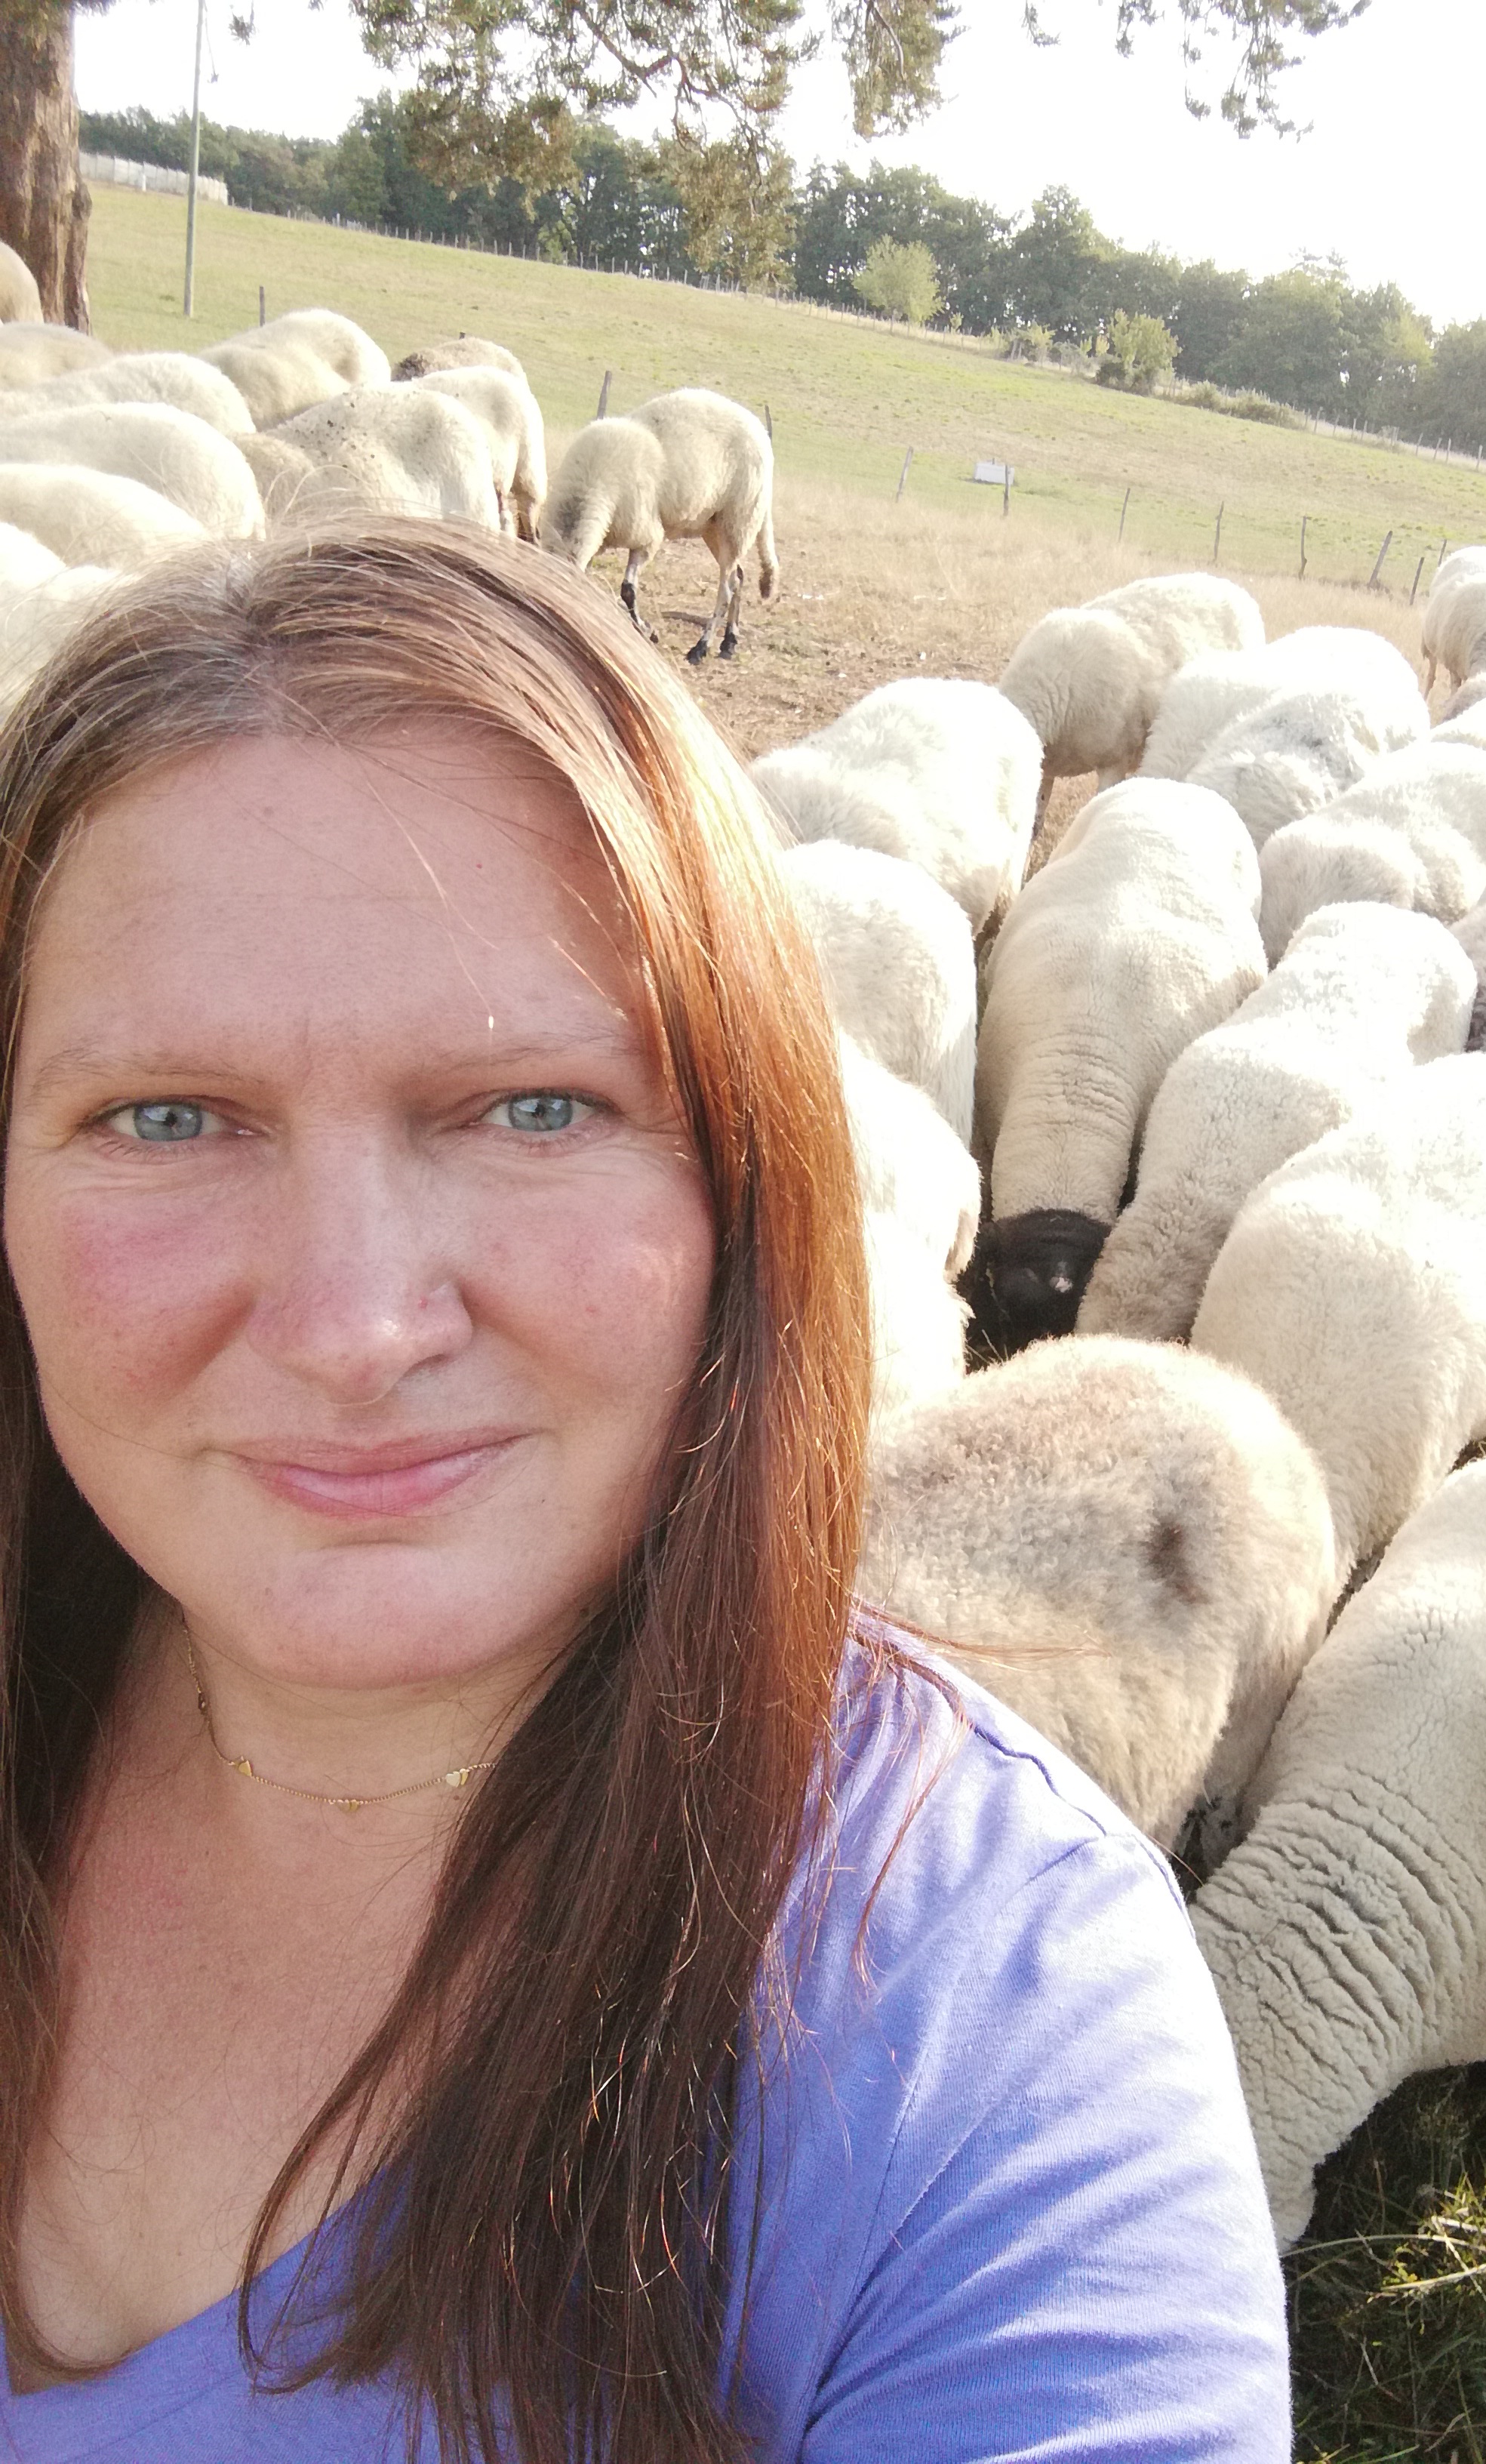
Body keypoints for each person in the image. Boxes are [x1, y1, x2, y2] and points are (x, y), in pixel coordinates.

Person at [0, 522, 1290, 2462]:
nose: (356, 1324)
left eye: (535, 1109)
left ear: (741, 1189)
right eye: (165, 1117)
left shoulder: (1000, 2065)